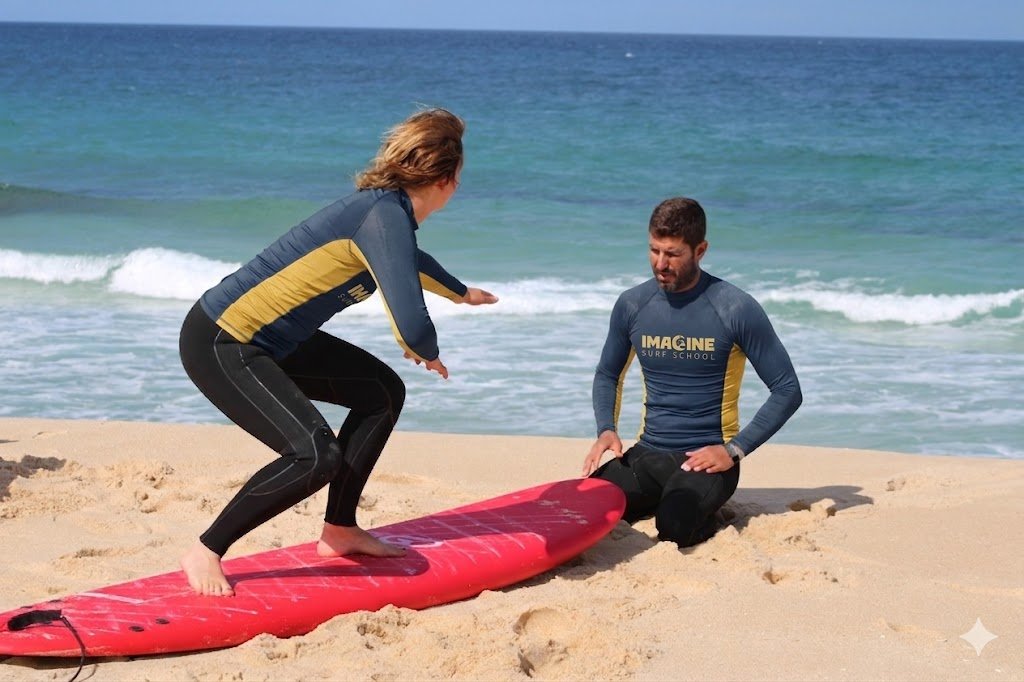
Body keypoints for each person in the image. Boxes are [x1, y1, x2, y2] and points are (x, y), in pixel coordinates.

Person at [178, 108, 497, 596]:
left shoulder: (387, 214)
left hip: (277, 342)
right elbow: (410, 322)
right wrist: (424, 349)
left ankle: (340, 529)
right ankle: (206, 549)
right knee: (314, 455)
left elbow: (410, 261)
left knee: (381, 393)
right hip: (224, 340)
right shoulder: (381, 217)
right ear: (447, 180)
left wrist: (461, 293)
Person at [582, 197, 801, 547]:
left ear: (700, 250)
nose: (661, 264)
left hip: (708, 461)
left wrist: (734, 450)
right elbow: (608, 374)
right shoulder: (633, 305)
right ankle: (658, 497)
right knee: (583, 507)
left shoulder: (734, 308)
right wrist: (606, 428)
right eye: (654, 250)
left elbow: (787, 389)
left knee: (675, 528)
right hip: (647, 453)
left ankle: (690, 508)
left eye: (673, 254)